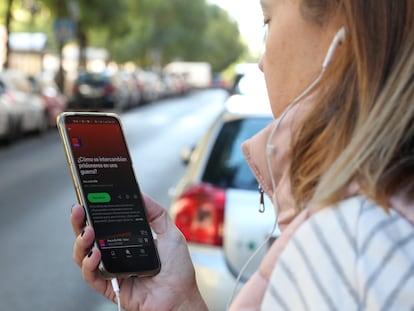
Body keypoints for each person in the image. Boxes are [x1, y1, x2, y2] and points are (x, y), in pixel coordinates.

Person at [71, 0, 414, 310]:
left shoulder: (348, 244)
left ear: (342, 30)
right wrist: (180, 303)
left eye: (267, 21)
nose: (262, 62)